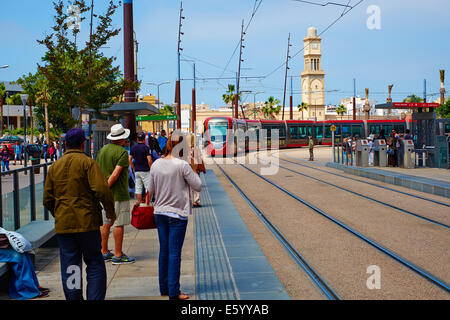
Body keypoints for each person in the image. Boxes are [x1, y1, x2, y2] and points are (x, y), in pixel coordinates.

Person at [43, 128, 116, 300]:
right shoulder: (88, 163)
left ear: (65, 144)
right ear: (83, 144)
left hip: (64, 226)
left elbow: (47, 199)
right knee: (94, 262)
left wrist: (59, 213)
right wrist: (110, 212)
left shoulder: (55, 166)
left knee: (71, 266)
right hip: (87, 223)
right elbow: (102, 190)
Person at [147, 132, 202, 300]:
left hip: (160, 213)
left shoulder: (156, 164)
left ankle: (164, 288)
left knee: (164, 250)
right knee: (174, 253)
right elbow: (198, 185)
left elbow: (151, 189)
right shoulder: (182, 166)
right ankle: (174, 291)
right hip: (177, 215)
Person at [97, 124, 136, 265]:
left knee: (106, 224)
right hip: (118, 194)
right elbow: (115, 174)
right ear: (122, 138)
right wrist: (108, 188)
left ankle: (104, 251)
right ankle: (118, 255)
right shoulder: (122, 153)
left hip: (104, 195)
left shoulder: (102, 150)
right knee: (119, 224)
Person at [130, 132, 153, 204]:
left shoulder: (133, 148)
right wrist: (151, 168)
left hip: (137, 170)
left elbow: (129, 159)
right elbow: (149, 160)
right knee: (148, 188)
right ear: (144, 139)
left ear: (137, 139)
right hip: (145, 170)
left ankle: (139, 203)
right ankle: (147, 203)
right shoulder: (146, 148)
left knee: (138, 188)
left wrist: (133, 168)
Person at [189, 134, 206, 207]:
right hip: (195, 169)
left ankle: (190, 201)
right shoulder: (196, 148)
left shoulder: (184, 148)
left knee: (189, 186)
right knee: (196, 185)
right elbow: (199, 159)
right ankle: (195, 201)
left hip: (187, 169)